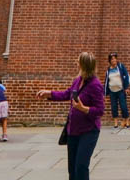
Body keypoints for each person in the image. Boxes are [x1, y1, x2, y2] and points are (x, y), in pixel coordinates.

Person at [40, 51, 104, 180]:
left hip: (89, 131)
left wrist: (83, 108)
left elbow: (100, 110)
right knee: (72, 168)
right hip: (73, 130)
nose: (76, 63)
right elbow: (67, 93)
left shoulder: (95, 85)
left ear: (83, 65)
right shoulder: (78, 80)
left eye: (78, 61)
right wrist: (50, 93)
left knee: (81, 166)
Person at [104, 53, 130, 130]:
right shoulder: (108, 70)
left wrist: (126, 87)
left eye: (115, 58)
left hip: (121, 90)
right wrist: (105, 93)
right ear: (110, 60)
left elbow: (127, 76)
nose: (114, 60)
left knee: (123, 106)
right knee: (114, 107)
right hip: (112, 91)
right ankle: (115, 122)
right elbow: (106, 81)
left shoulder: (121, 67)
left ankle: (127, 121)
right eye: (112, 59)